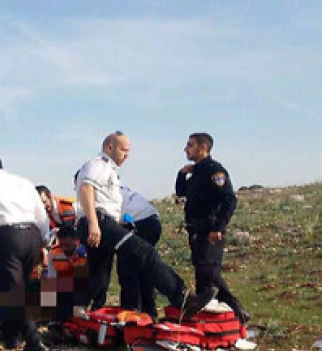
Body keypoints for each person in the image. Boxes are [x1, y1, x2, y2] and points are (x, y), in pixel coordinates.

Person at [75, 132, 217, 319]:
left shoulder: (110, 171)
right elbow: (86, 188)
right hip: (99, 222)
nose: (127, 155)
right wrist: (94, 223)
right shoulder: (98, 164)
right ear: (110, 147)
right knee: (143, 252)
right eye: (124, 150)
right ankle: (182, 299)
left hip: (104, 222)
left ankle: (75, 310)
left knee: (98, 272)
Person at [0, 154, 50, 351]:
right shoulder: (23, 182)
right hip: (32, 235)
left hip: (7, 237)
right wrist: (43, 242)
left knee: (11, 293)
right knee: (18, 288)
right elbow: (41, 215)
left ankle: (34, 343)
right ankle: (11, 335)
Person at [175, 132, 249, 323]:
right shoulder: (197, 172)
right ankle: (209, 322)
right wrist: (182, 174)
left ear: (203, 148)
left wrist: (218, 227)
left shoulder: (214, 170)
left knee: (211, 275)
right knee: (203, 278)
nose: (186, 148)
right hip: (196, 232)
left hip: (210, 233)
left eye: (190, 145)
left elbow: (229, 199)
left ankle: (237, 311)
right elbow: (181, 192)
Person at [117, 185, 163, 319]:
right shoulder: (118, 187)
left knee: (127, 269)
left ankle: (131, 313)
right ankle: (149, 313)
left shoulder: (105, 193)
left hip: (140, 223)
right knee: (143, 269)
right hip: (151, 221)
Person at [45, 224, 87, 323]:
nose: (64, 248)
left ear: (75, 240)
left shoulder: (83, 252)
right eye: (62, 245)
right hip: (63, 286)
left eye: (67, 245)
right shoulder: (54, 253)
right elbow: (51, 277)